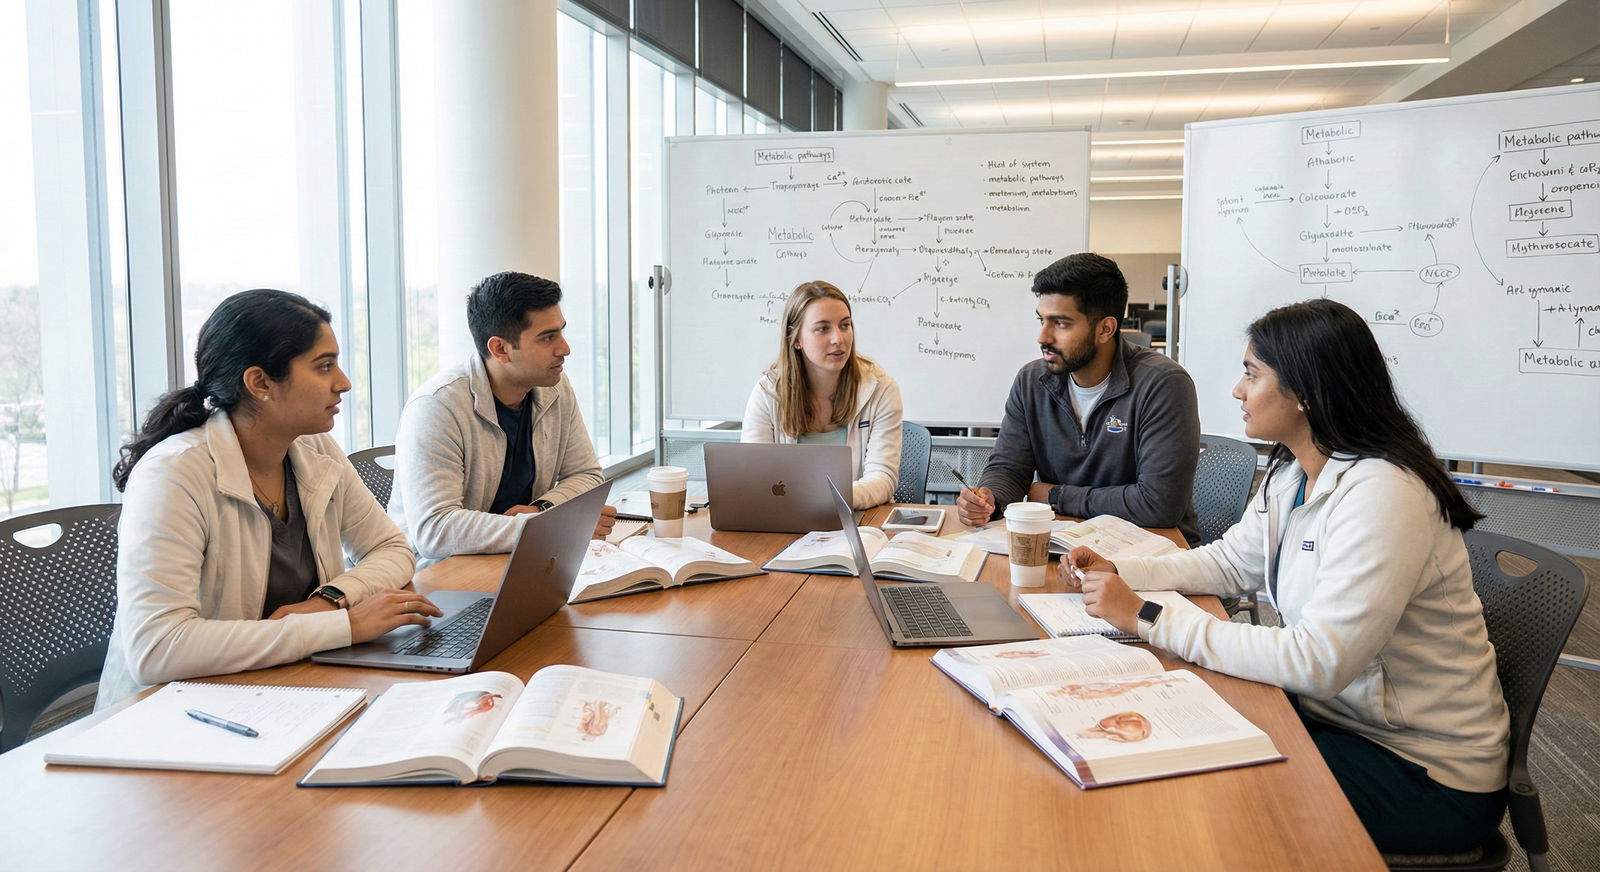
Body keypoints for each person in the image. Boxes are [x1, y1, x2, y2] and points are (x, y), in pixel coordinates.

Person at [1063, 298, 1508, 855]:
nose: (1237, 391)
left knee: (1194, 796)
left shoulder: (1383, 493)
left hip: (1423, 771)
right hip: (1338, 720)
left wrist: (1149, 615)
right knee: (1168, 725)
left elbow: (1317, 661)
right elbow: (1229, 562)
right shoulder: (1296, 469)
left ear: (1308, 393)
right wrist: (1121, 569)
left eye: (1252, 374)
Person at [100, 290, 439, 709]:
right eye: (324, 366)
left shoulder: (316, 449)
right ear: (260, 382)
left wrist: (328, 601)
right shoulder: (174, 474)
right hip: (172, 712)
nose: (344, 382)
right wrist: (344, 626)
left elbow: (391, 548)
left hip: (282, 688)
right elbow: (158, 648)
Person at [956, 253, 1201, 544]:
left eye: (1060, 324)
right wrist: (989, 498)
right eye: (1042, 320)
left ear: (1105, 329)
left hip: (1148, 552)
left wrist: (1056, 495)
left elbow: (1158, 504)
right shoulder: (1031, 381)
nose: (1042, 337)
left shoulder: (1162, 384)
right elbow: (1009, 467)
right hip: (1061, 544)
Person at [389, 271, 614, 567]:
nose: (565, 349)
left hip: (525, 557)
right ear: (500, 349)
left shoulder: (555, 387)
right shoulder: (436, 407)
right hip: (439, 577)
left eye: (561, 331)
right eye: (548, 337)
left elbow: (586, 475)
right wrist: (545, 526)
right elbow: (435, 531)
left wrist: (542, 510)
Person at [741, 281, 903, 509]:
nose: (838, 339)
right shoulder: (768, 393)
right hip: (784, 522)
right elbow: (753, 476)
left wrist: (832, 498)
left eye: (845, 325)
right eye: (822, 329)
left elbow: (883, 478)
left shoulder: (881, 389)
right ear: (796, 339)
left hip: (857, 521)